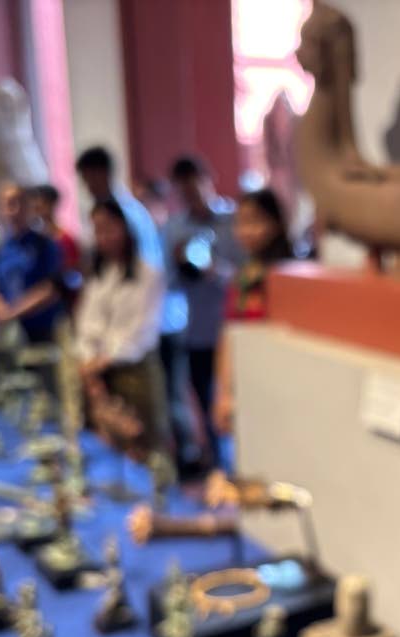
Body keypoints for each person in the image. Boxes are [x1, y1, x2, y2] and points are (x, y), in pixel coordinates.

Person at [163, 156, 243, 464]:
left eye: (194, 188)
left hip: (233, 328)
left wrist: (216, 271)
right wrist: (183, 264)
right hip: (196, 331)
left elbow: (245, 275)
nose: (191, 196)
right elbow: (168, 284)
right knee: (207, 405)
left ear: (208, 181)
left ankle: (241, 464)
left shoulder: (234, 221)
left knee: (238, 403)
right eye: (184, 192)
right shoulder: (174, 228)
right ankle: (219, 468)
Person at [75, 199, 168, 459]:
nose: (103, 237)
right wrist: (88, 361)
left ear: (126, 229)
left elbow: (142, 330)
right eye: (98, 230)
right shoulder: (98, 274)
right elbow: (87, 324)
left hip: (133, 372)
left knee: (144, 450)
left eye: (109, 228)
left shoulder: (148, 273)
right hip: (98, 375)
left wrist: (103, 360)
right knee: (105, 451)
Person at [212, 188, 293, 436]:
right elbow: (229, 334)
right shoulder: (243, 277)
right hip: (247, 382)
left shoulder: (289, 276)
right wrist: (224, 392)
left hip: (280, 383)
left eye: (254, 221)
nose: (245, 231)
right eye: (241, 223)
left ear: (276, 223)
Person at [0, 182, 64, 344]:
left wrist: (13, 312)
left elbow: (51, 288)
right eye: (9, 204)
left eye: (21, 203)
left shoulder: (44, 244)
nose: (15, 210)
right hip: (6, 332)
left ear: (30, 207)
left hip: (40, 330)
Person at [29, 183, 81, 311]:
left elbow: (74, 273)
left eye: (42, 203)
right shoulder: (31, 240)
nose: (38, 209)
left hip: (61, 305)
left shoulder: (65, 239)